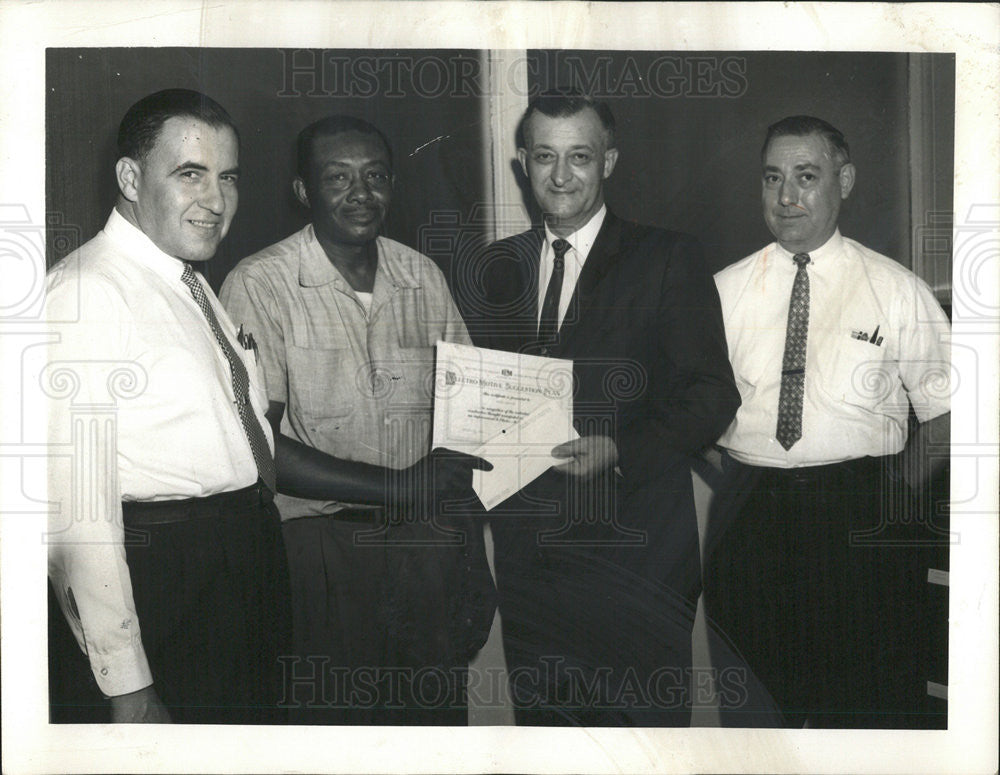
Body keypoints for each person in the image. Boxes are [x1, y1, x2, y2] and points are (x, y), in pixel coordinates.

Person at [466, 91, 740, 726]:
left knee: (644, 746)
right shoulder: (491, 267)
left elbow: (711, 394)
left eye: (580, 157)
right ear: (522, 165)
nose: (561, 176)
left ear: (609, 161)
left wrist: (619, 450)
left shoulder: (668, 256)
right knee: (549, 743)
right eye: (544, 157)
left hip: (637, 557)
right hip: (531, 557)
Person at [220, 115, 494, 725]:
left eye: (374, 177)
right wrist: (401, 486)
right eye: (337, 178)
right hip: (322, 553)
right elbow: (262, 448)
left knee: (433, 731)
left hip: (426, 549)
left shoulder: (423, 276)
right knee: (335, 731)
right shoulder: (259, 284)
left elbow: (472, 410)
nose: (360, 194)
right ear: (303, 191)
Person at [45, 89, 290, 724]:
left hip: (238, 564)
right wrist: (126, 684)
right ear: (130, 177)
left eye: (227, 177)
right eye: (190, 175)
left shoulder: (187, 277)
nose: (216, 201)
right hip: (171, 583)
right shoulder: (88, 291)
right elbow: (75, 515)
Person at [704, 115, 952, 728]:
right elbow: (693, 410)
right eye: (772, 178)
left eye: (806, 177)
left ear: (843, 181)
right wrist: (737, 478)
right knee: (758, 714)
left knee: (867, 712)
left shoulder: (896, 289)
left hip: (860, 517)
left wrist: (893, 493)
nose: (786, 197)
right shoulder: (722, 292)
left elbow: (948, 412)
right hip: (751, 521)